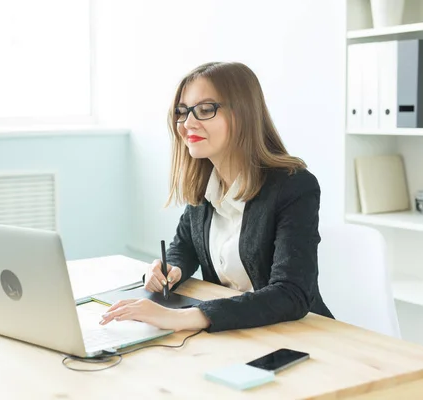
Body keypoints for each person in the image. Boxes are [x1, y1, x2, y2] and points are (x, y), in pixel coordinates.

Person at [100, 61, 334, 333]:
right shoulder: (205, 187)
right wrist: (169, 268)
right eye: (182, 112)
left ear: (243, 114)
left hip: (298, 336)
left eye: (205, 110)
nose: (187, 124)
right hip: (235, 332)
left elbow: (291, 294)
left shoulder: (294, 187)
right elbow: (185, 247)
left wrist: (182, 317)